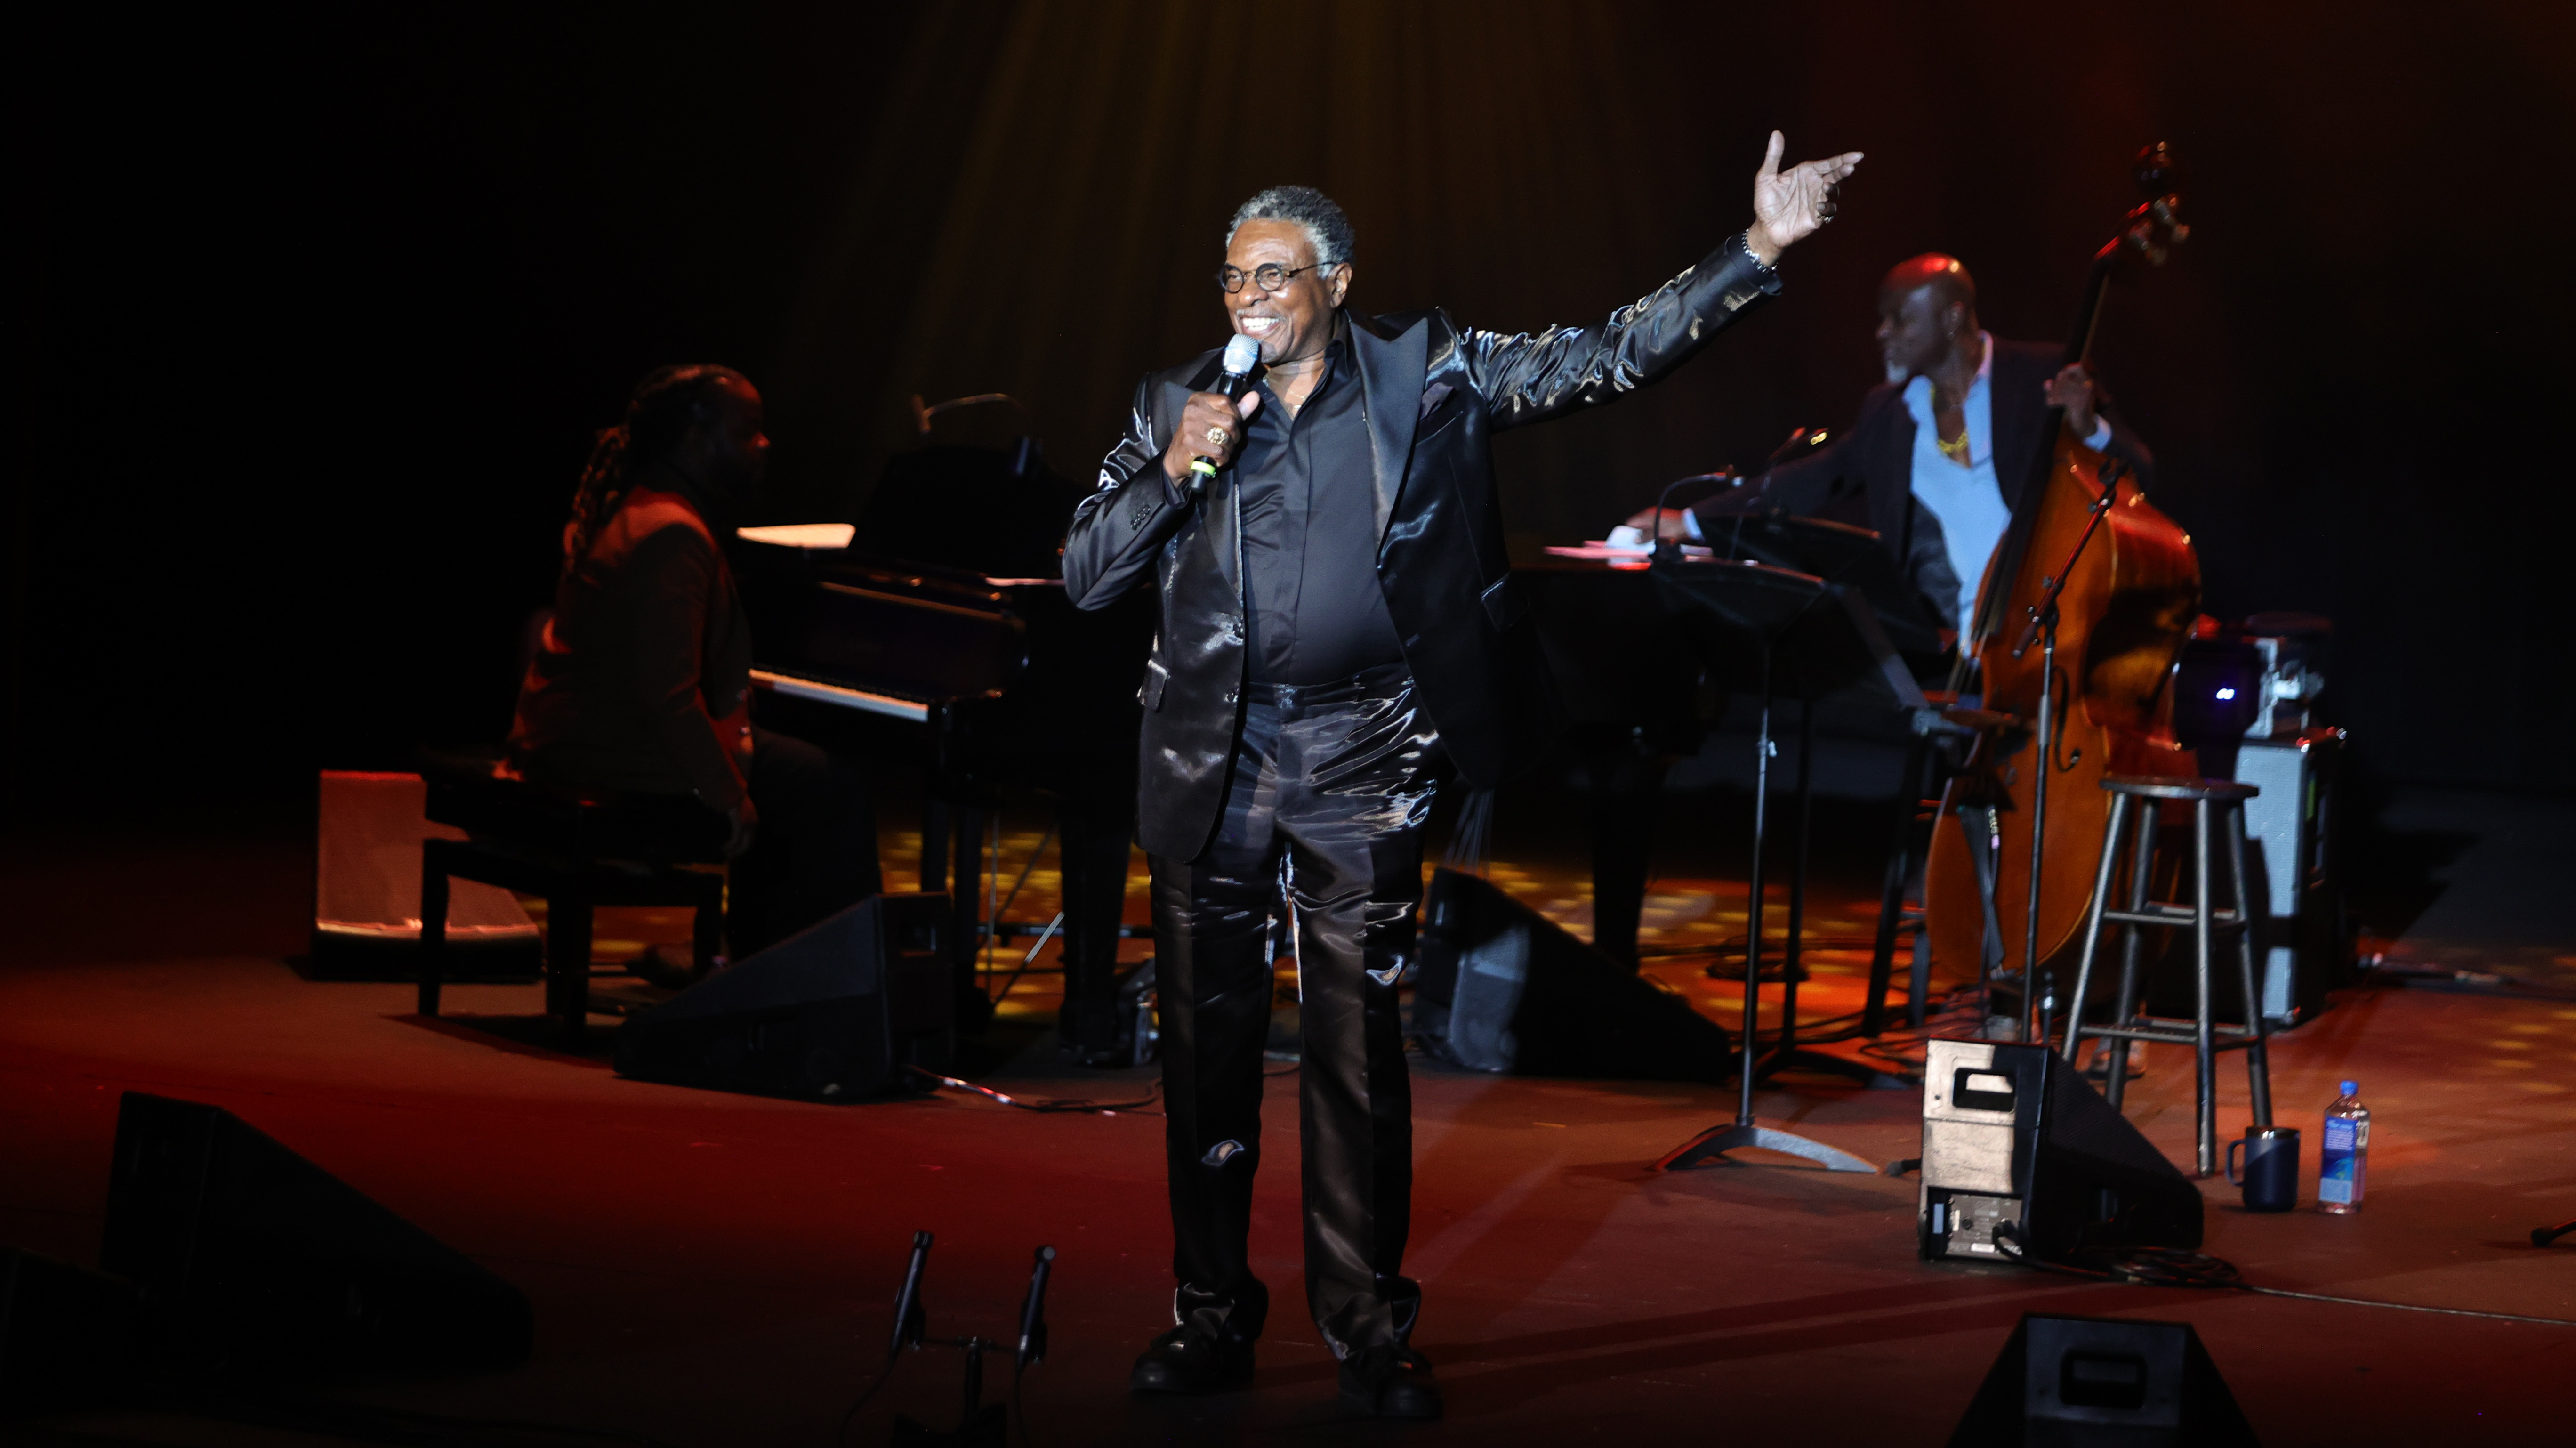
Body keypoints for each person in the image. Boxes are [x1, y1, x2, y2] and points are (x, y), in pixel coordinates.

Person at [1061, 133, 1861, 1418]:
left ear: (1336, 277)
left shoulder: (1422, 366)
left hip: (1366, 754)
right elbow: (1086, 572)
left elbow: (1604, 357)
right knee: (1205, 1061)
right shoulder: (1178, 403)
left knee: (1357, 1051)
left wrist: (1757, 249)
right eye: (1233, 280)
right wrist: (1173, 467)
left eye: (1276, 275)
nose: (1251, 299)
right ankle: (1209, 1316)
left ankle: (1368, 1330)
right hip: (1220, 758)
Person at [509, 365, 881, 966]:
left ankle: (761, 959)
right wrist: (727, 792)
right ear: (693, 439)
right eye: (747, 432)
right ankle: (829, 977)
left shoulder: (634, 507)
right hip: (613, 753)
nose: (764, 446)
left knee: (792, 770)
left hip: (588, 735)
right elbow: (669, 695)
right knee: (830, 788)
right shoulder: (672, 534)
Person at [1631, 252, 2157, 646]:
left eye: (1899, 318)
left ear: (1951, 319)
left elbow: (2141, 477)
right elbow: (1809, 480)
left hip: (2057, 644)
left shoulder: (2044, 375)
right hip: (1960, 657)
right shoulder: (1889, 414)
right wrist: (1693, 521)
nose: (1883, 333)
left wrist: (2088, 427)